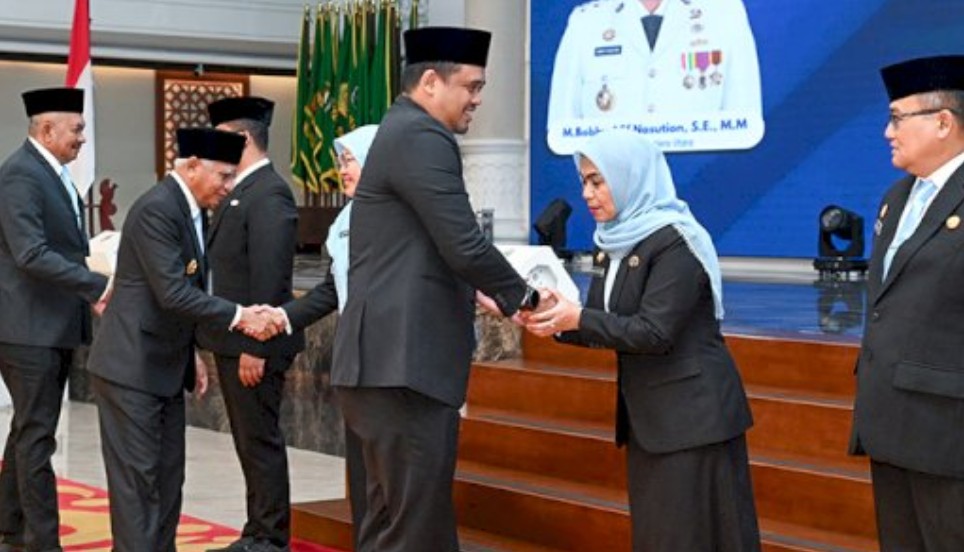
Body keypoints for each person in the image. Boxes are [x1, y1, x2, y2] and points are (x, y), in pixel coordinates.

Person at [322, 27, 542, 551]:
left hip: (383, 365)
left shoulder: (401, 130)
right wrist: (526, 299)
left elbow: (426, 249)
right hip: (403, 366)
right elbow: (463, 242)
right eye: (471, 86)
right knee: (414, 530)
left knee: (391, 524)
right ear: (429, 82)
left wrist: (475, 289)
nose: (478, 99)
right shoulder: (423, 136)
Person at [525, 128, 759, 551]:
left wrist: (579, 317)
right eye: (583, 182)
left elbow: (654, 332)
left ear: (629, 177)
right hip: (652, 421)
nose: (587, 194)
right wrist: (553, 318)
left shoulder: (676, 242)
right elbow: (603, 321)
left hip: (693, 422)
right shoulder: (612, 243)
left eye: (598, 181)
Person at [85, 128, 279, 552]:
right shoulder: (158, 209)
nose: (229, 186)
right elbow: (173, 292)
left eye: (233, 177)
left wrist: (190, 352)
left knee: (168, 481)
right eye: (224, 176)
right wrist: (240, 316)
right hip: (131, 369)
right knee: (139, 489)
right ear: (192, 167)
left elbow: (182, 291)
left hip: (164, 365)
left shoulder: (192, 210)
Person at [850, 54, 964, 550]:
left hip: (948, 434)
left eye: (898, 118)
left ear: (943, 122)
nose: (887, 132)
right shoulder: (895, 198)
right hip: (891, 422)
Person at [250, 124, 377, 550]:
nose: (341, 169)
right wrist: (281, 317)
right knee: (361, 472)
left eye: (350, 160)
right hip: (354, 360)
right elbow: (330, 290)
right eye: (340, 161)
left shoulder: (397, 216)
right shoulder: (345, 220)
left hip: (390, 362)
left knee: (389, 478)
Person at [0, 87, 110, 552]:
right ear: (47, 129)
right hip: (28, 328)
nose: (83, 138)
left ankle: (10, 526)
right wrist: (96, 285)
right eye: (77, 129)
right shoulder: (21, 175)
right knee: (37, 435)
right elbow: (31, 253)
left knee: (28, 427)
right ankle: (41, 542)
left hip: (48, 325)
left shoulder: (49, 172)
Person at [193, 97, 305, 552]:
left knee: (260, 441)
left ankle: (269, 537)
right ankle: (257, 530)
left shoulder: (269, 192)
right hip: (234, 339)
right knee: (248, 440)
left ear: (242, 139)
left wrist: (256, 347)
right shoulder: (240, 190)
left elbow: (271, 278)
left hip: (255, 343)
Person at [546, 0, 761, 127]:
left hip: (701, 178)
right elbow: (561, 127)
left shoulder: (725, 14)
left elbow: (744, 122)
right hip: (613, 183)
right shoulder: (586, 21)